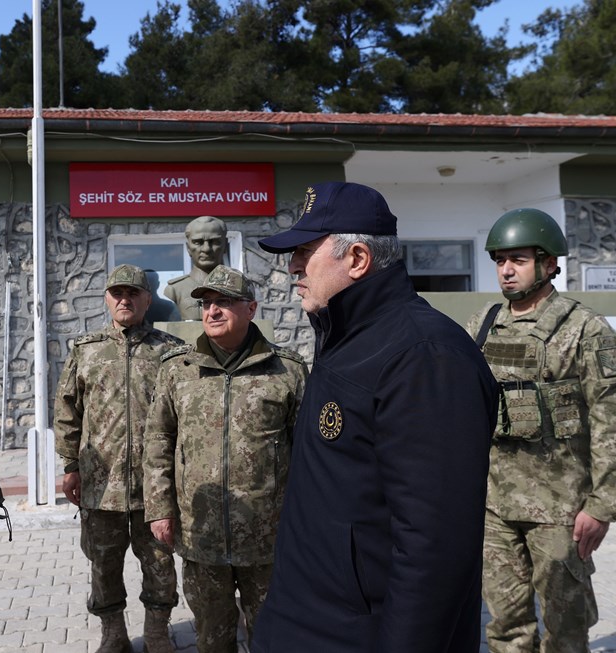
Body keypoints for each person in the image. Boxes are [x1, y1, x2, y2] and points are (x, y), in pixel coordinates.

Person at [252, 181, 499, 653]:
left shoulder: (425, 357)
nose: (292, 267)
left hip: (356, 635)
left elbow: (434, 549)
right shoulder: (345, 337)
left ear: (358, 259)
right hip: (306, 624)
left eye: (305, 250)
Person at [467, 208, 616, 653]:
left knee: (565, 630)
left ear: (550, 263)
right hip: (495, 506)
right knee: (505, 627)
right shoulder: (484, 324)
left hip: (562, 509)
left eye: (518, 259)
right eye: (499, 260)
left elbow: (609, 420)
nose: (506, 270)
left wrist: (602, 505)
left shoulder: (585, 329)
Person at [144, 264, 307, 653]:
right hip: (203, 538)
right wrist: (159, 507)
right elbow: (158, 440)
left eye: (225, 303)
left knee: (274, 637)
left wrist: (308, 522)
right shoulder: (178, 370)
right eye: (207, 303)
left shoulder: (287, 370)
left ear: (251, 308)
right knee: (212, 638)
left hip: (269, 539)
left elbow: (307, 452)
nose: (212, 311)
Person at [54, 263, 183, 653]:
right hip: (101, 484)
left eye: (133, 293)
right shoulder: (86, 350)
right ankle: (113, 633)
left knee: (159, 566)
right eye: (117, 293)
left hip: (154, 488)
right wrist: (70, 465)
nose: (124, 300)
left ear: (147, 299)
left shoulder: (170, 352)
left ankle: (158, 632)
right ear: (107, 299)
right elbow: (67, 409)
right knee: (103, 565)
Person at [165, 215, 229, 320]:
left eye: (215, 242)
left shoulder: (240, 288)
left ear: (225, 245)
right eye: (198, 242)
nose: (206, 249)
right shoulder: (174, 290)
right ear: (188, 248)